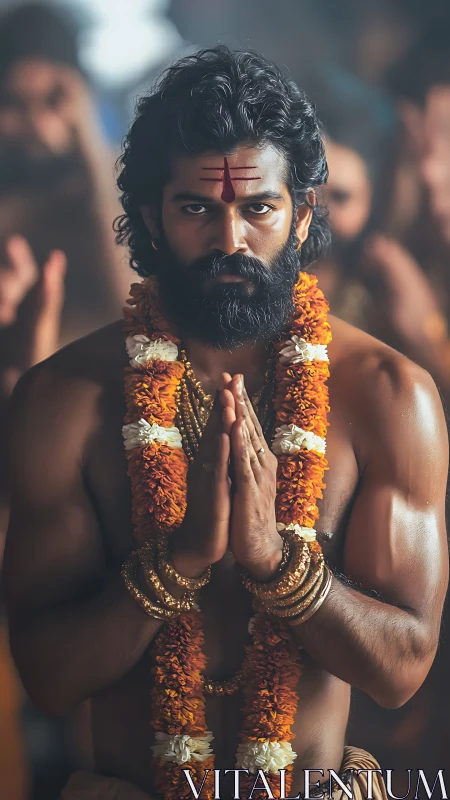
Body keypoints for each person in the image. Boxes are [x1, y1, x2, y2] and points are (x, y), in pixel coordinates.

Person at [2, 47, 448, 800]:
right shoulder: (66, 398)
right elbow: (46, 678)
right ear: (151, 215)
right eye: (197, 209)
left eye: (258, 208)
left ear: (304, 212)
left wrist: (279, 563)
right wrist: (176, 562)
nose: (230, 241)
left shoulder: (388, 396)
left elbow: (401, 669)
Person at [0, 3, 131, 351]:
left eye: (52, 100)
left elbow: (132, 301)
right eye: (15, 103)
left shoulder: (120, 176)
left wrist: (87, 140)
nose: (38, 126)